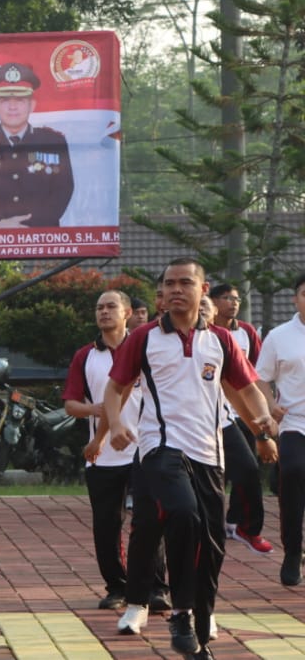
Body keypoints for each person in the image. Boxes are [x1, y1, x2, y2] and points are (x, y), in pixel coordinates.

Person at [104, 258, 278, 658]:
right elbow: (116, 389)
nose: (176, 290)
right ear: (162, 293)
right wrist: (115, 424)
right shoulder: (144, 338)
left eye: (185, 283)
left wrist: (263, 421)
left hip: (209, 454)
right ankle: (179, 613)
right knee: (183, 514)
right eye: (169, 284)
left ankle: (201, 621)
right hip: (160, 448)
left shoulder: (219, 340)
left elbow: (246, 388)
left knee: (212, 543)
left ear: (203, 290)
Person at [65, 289, 167, 615]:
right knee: (106, 525)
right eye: (99, 307)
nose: (104, 312)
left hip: (145, 450)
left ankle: (155, 586)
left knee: (150, 521)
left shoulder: (148, 349)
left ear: (127, 312)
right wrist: (96, 409)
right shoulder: (85, 355)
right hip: (103, 455)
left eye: (111, 306)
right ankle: (117, 587)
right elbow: (70, 405)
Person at [0, 62, 74, 228]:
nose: (12, 107)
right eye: (5, 100)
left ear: (32, 105)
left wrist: (29, 226)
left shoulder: (53, 142)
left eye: (20, 100)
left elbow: (63, 190)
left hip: (41, 238)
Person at [208, 283, 271, 553]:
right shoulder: (200, 337)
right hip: (201, 420)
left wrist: (264, 414)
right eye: (226, 298)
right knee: (214, 478)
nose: (233, 303)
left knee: (246, 469)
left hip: (237, 413)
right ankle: (212, 528)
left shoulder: (244, 333)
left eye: (236, 298)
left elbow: (254, 376)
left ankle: (242, 524)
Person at [255, 273, 305, 585]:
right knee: (294, 473)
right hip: (294, 423)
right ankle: (292, 551)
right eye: (304, 293)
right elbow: (260, 377)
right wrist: (268, 405)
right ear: (295, 299)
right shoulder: (280, 336)